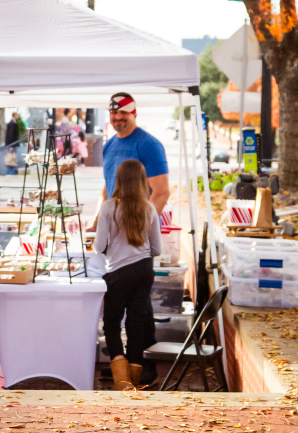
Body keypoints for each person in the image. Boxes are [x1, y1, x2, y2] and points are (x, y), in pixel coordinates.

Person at [95, 159, 162, 390]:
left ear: (119, 180)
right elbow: (157, 249)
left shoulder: (109, 207)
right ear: (143, 181)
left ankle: (122, 381)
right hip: (144, 269)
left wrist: (114, 246)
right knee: (137, 324)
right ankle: (134, 377)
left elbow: (98, 245)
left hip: (118, 272)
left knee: (112, 323)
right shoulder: (149, 207)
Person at [89, 92, 170, 229]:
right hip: (114, 231)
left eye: (124, 112)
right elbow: (107, 188)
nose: (118, 117)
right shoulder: (109, 145)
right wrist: (96, 224)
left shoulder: (149, 145)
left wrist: (140, 229)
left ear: (134, 114)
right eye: (114, 112)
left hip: (138, 234)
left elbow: (161, 192)